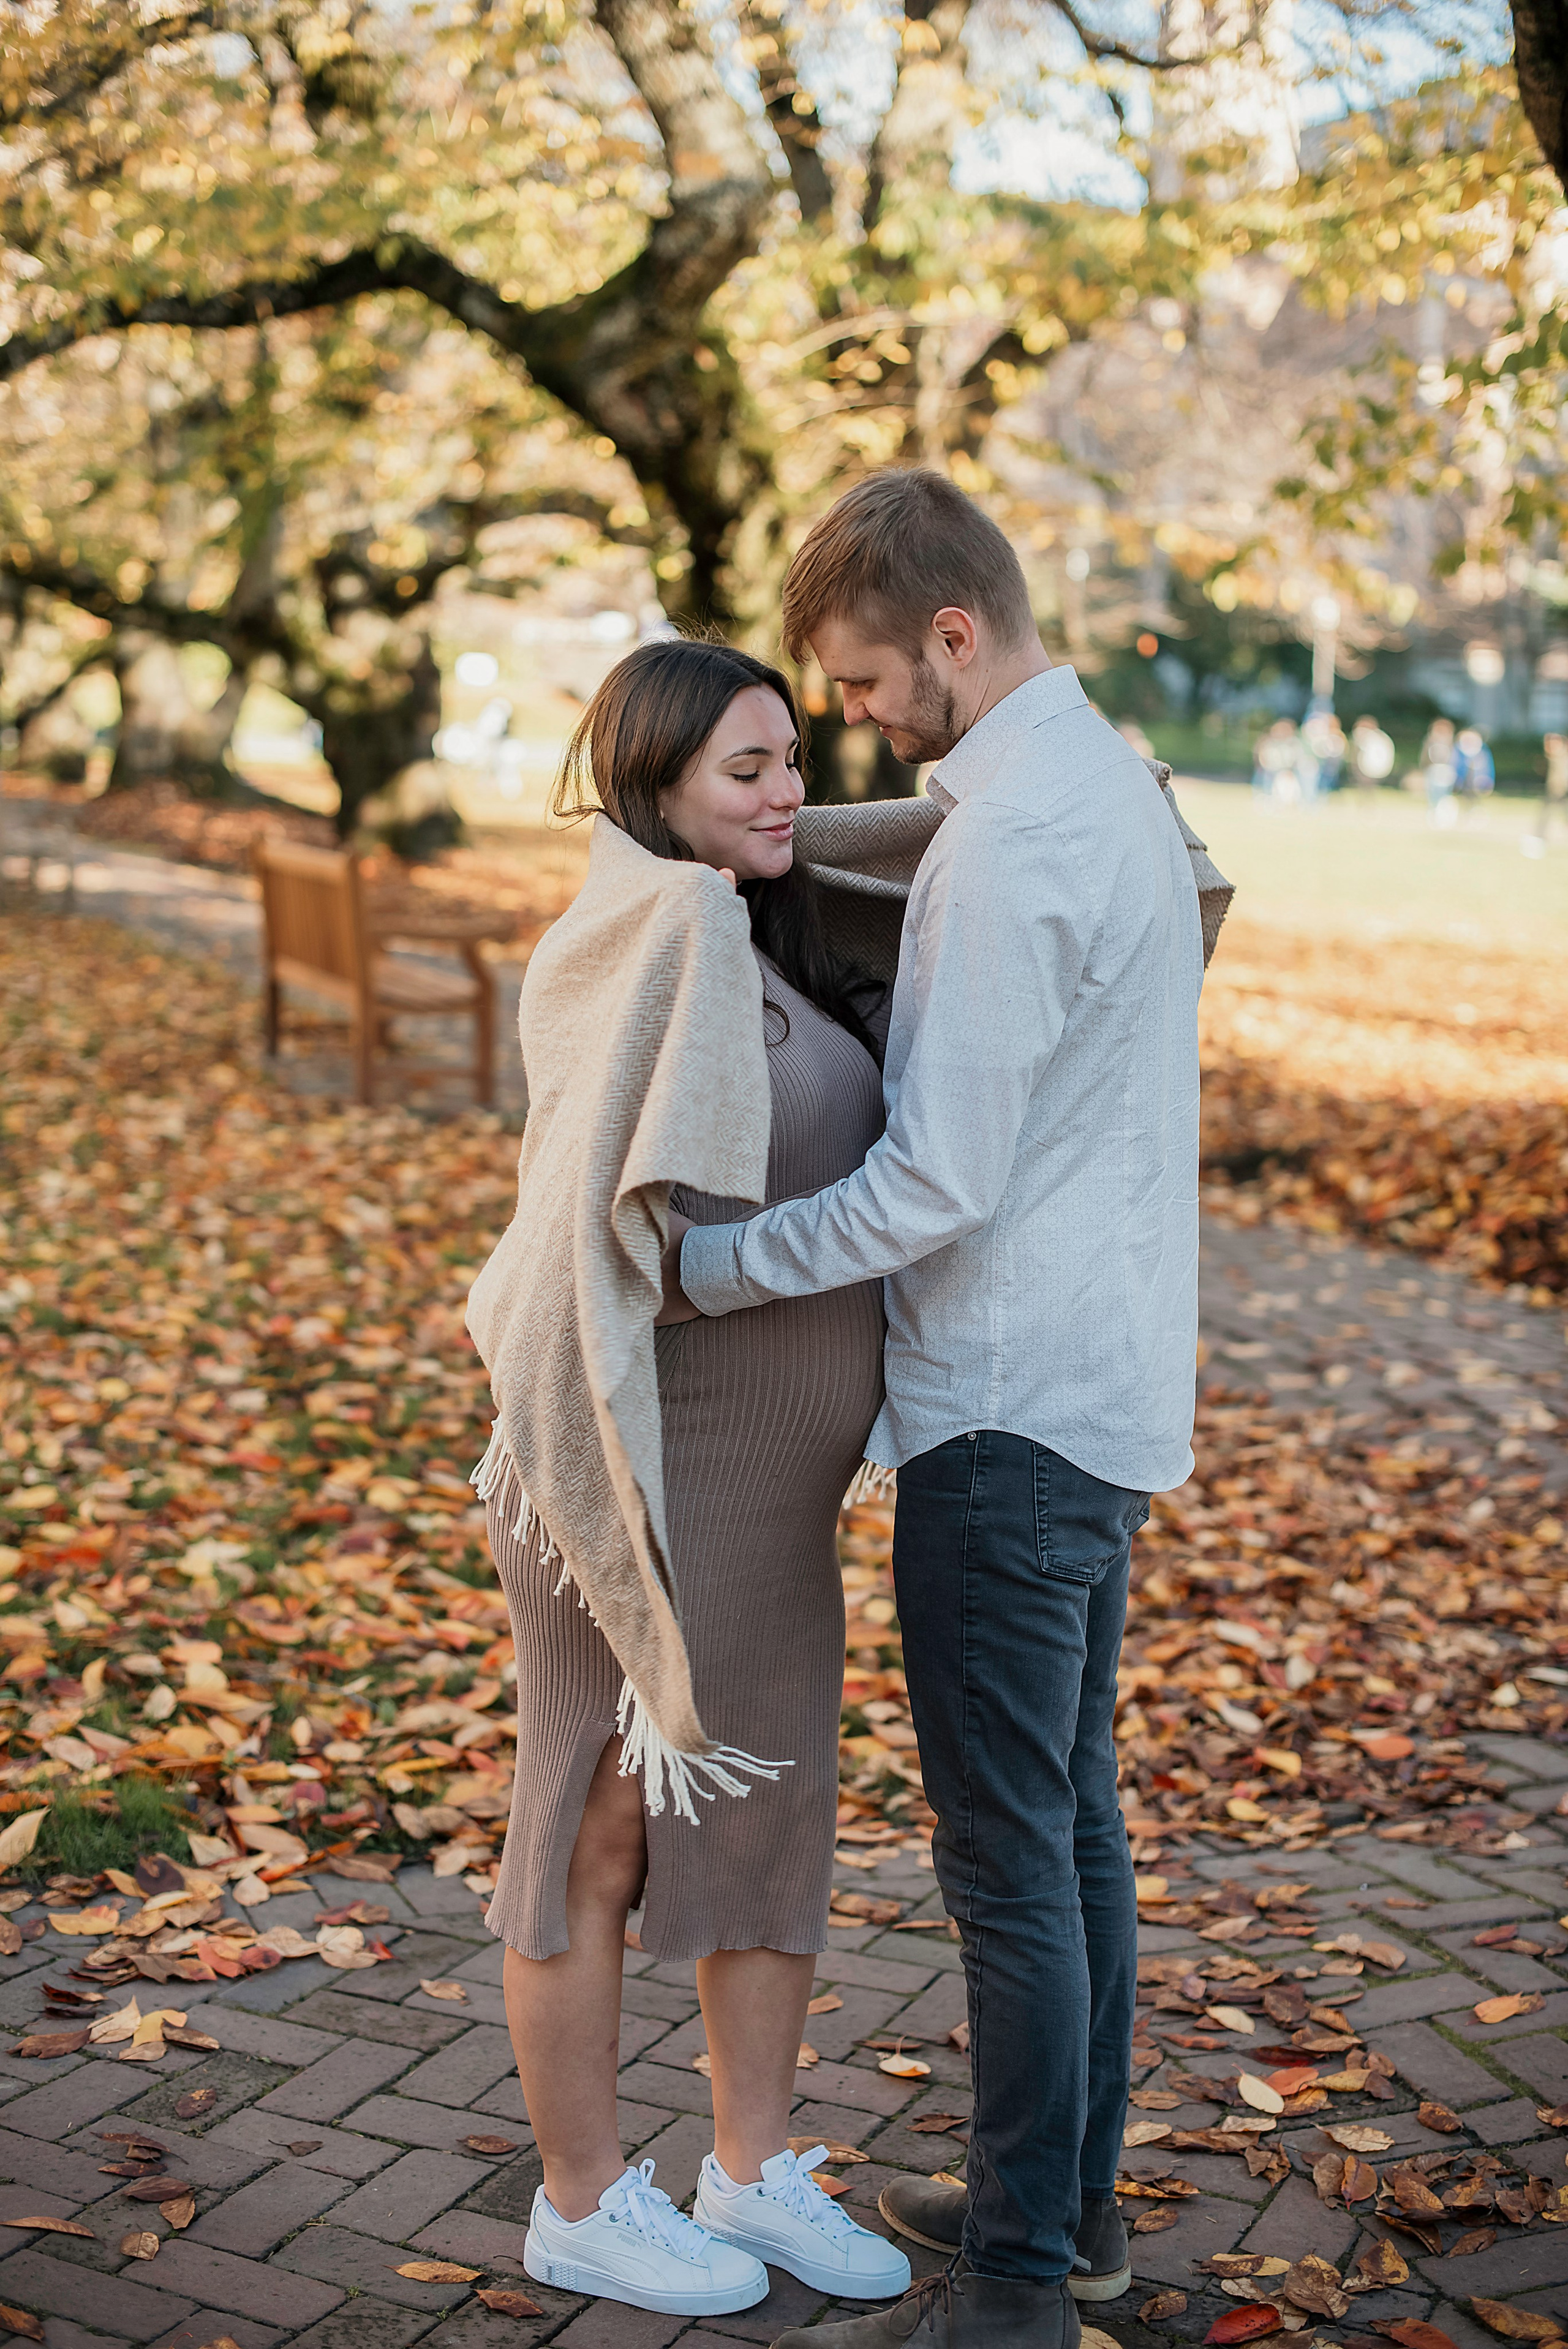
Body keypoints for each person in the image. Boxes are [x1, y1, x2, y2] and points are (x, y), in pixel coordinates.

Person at [661, 470, 1210, 2349]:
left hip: (1000, 1415)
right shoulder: (1110, 789)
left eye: (870, 680)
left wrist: (711, 1273)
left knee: (1008, 1864)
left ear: (954, 637)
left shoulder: (1017, 846)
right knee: (1067, 1830)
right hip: (1097, 1381)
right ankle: (1056, 2208)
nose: (856, 718)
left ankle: (1020, 2284)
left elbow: (930, 1184)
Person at [468, 640, 912, 2318]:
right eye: (749, 768)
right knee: (598, 1814)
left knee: (767, 1803)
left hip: (771, 1498)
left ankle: (752, 2167)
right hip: (634, 1464)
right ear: (656, 784)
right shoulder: (650, 934)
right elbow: (585, 1227)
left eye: (798, 757)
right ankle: (581, 2199)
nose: (791, 789)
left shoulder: (755, 921)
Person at [1524, 728, 1568, 855]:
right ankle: (1539, 838)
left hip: (1562, 792)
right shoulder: (1554, 757)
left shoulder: (1563, 758)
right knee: (1545, 815)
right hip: (1555, 791)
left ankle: (1539, 838)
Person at [1348, 714, 1395, 802]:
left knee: (1367, 785)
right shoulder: (1381, 737)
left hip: (1370, 766)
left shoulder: (1372, 738)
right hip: (1371, 767)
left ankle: (1366, 802)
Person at [1422, 715, 1458, 825]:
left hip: (1445, 770)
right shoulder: (1430, 741)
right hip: (1433, 769)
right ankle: (1433, 814)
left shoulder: (1450, 742)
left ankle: (1443, 816)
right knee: (1433, 794)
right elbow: (1425, 756)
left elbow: (1454, 758)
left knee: (1444, 794)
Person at [1454, 725, 1494, 812]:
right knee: (1464, 797)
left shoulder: (1482, 750)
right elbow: (1456, 765)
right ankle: (1465, 811)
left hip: (1478, 780)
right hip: (1464, 780)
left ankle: (1475, 811)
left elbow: (1488, 767)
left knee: (1475, 798)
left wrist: (1489, 780)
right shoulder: (1459, 750)